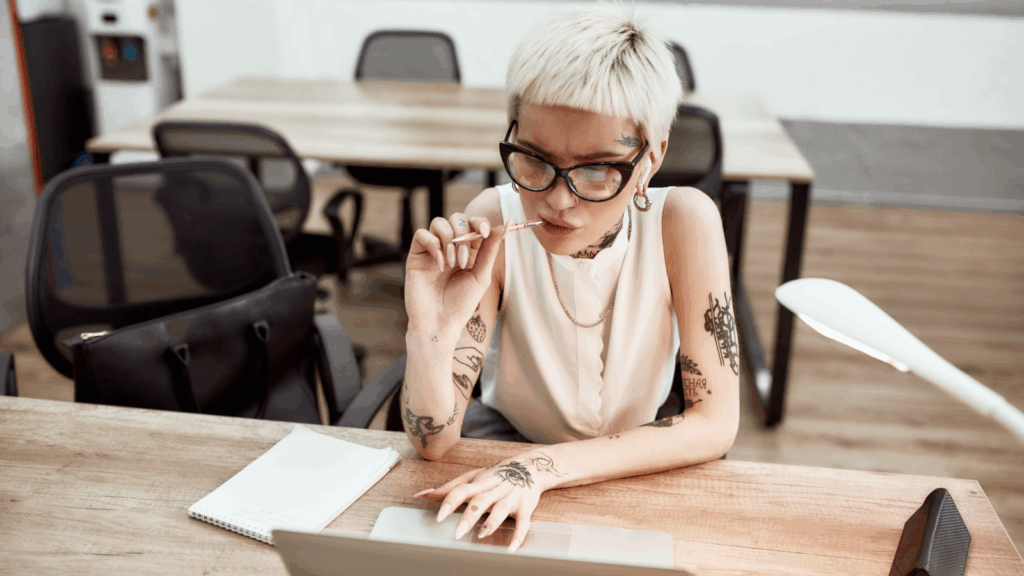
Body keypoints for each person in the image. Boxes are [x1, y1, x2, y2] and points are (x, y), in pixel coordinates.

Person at [400, 7, 739, 553]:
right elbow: (433, 444)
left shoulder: (684, 221)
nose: (558, 200)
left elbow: (716, 423)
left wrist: (539, 468)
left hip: (630, 460)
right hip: (502, 448)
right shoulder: (494, 217)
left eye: (598, 169)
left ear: (650, 161)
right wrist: (429, 335)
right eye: (534, 160)